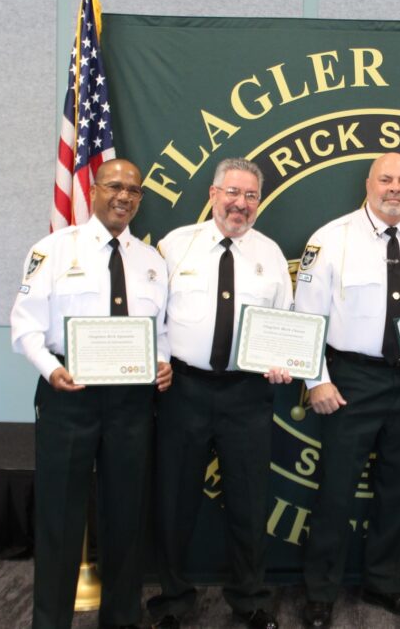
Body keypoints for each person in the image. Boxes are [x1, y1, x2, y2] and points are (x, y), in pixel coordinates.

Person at [293, 152, 400, 628]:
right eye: (386, 179)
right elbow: (306, 317)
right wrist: (317, 380)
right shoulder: (331, 239)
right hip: (350, 379)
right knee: (335, 489)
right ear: (368, 184)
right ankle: (320, 592)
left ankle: (388, 584)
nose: (396, 188)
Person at [10, 158, 172, 629]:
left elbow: (159, 330)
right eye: (114, 186)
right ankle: (51, 622)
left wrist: (162, 363)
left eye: (133, 191)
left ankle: (121, 619)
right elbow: (25, 326)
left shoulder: (151, 261)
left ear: (140, 200)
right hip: (70, 394)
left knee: (126, 517)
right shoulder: (54, 250)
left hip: (132, 403)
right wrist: (51, 370)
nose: (123, 197)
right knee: (60, 519)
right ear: (94, 189)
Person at [146, 158, 292, 629]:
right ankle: (171, 601)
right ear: (212, 194)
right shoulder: (174, 247)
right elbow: (154, 317)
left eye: (251, 196)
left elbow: (285, 322)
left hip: (247, 394)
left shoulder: (270, 253)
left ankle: (251, 600)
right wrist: (160, 358)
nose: (241, 204)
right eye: (233, 192)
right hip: (182, 390)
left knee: (249, 503)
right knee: (174, 500)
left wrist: (284, 359)